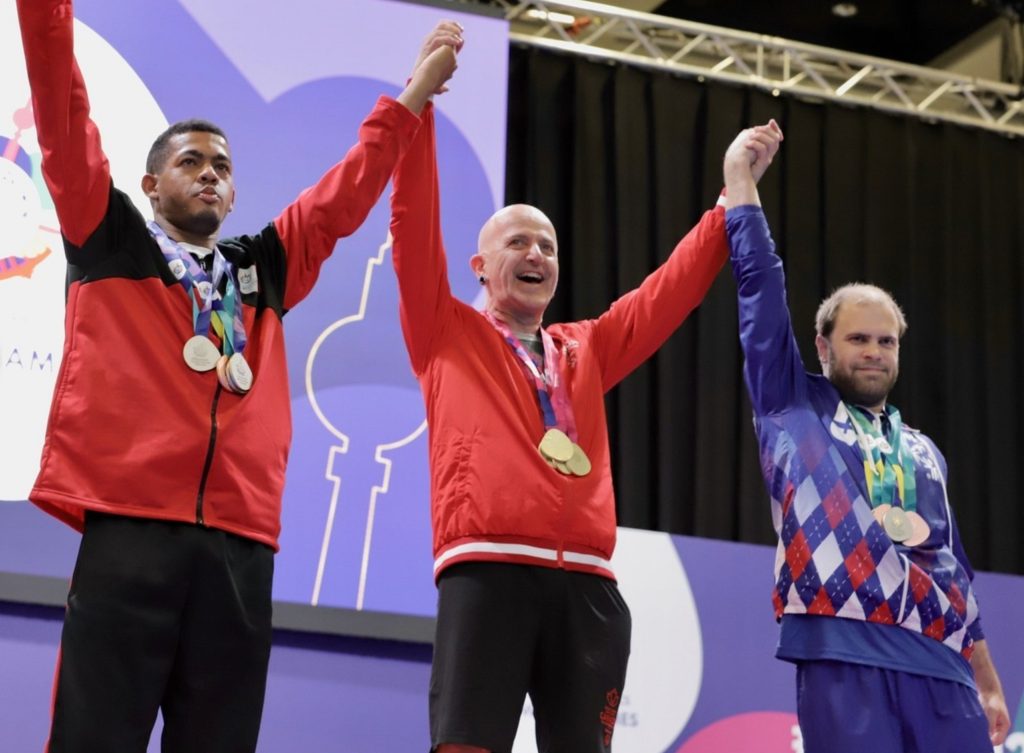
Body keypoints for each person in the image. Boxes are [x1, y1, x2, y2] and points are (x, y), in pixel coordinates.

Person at [16, 2, 461, 751]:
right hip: (131, 528)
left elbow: (341, 199)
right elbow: (62, 105)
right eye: (191, 161)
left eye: (222, 165)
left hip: (238, 549)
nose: (211, 175)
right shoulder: (109, 235)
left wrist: (412, 96)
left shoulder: (261, 269)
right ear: (151, 184)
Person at [389, 84, 781, 749]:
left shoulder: (585, 346)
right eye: (519, 242)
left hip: (589, 585)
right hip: (490, 568)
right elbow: (412, 226)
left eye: (548, 245)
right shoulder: (444, 331)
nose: (537, 253)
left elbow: (669, 292)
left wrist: (731, 194)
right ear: (481, 267)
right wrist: (420, 106)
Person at [723, 122, 1010, 753]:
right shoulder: (790, 406)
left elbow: (955, 565)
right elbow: (759, 291)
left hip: (941, 661)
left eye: (887, 341)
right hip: (842, 649)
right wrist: (740, 185)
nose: (874, 352)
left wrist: (988, 678)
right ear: (823, 347)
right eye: (858, 339)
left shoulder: (924, 452)